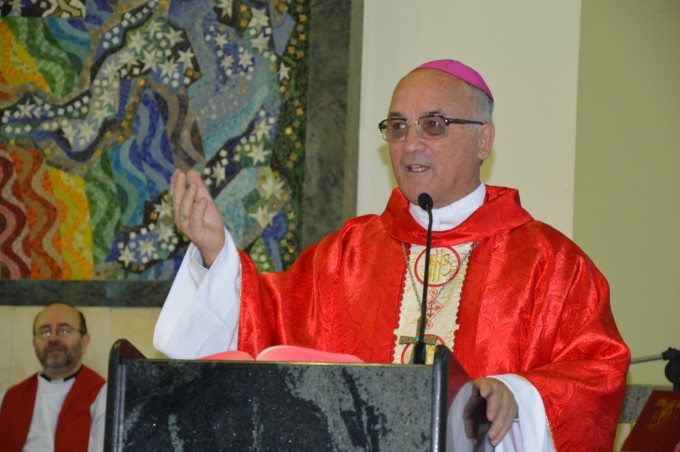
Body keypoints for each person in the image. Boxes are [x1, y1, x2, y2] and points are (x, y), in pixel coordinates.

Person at [154, 59, 630, 451]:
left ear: (484, 139)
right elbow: (268, 319)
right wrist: (215, 250)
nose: (411, 144)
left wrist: (518, 396)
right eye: (398, 127)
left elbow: (598, 371)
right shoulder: (349, 253)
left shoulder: (550, 262)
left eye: (434, 125)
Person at [0, 301, 107, 452]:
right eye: (45, 332)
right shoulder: (8, 400)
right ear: (34, 343)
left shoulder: (104, 396)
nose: (53, 339)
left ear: (84, 342)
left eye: (64, 331)